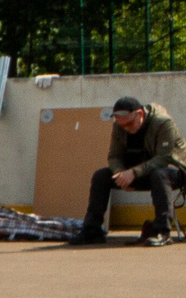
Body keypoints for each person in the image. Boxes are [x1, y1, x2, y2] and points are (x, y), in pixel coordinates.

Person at [75, 95, 186, 247]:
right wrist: (120, 174)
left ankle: (162, 231)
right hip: (139, 173)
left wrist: (134, 173)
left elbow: (163, 158)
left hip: (173, 172)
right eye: (123, 126)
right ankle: (92, 230)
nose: (127, 128)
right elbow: (114, 156)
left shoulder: (163, 123)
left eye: (130, 124)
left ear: (140, 114)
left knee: (159, 174)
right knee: (101, 176)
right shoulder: (119, 126)